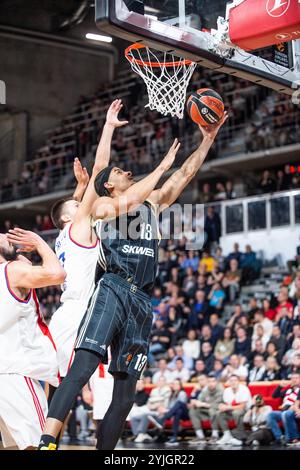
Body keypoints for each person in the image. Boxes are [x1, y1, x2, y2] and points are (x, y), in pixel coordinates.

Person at [39, 112, 228, 450]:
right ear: (108, 185)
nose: (126, 171)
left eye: (126, 170)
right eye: (119, 171)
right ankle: (46, 442)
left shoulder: (153, 202)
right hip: (112, 287)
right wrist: (110, 130)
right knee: (81, 368)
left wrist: (208, 140)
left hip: (142, 299)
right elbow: (100, 167)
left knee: (125, 394)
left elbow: (186, 173)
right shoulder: (101, 207)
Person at [49, 100, 125, 386]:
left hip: (71, 311)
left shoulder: (63, 235)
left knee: (58, 388)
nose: (81, 204)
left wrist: (78, 189)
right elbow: (100, 170)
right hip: (78, 312)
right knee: (63, 388)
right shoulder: (76, 226)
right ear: (70, 216)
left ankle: (45, 431)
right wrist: (107, 127)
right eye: (76, 204)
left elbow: (72, 209)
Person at [0, 229, 65, 449]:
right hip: (17, 371)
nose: (7, 237)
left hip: (4, 371)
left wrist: (14, 253)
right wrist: (38, 242)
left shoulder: (13, 269)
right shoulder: (12, 270)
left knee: (14, 447)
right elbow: (57, 274)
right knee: (39, 444)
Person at [216, 375, 252, 446]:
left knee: (236, 413)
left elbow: (242, 406)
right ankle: (227, 435)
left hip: (246, 411)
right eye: (231, 381)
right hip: (232, 410)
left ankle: (240, 437)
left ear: (238, 381)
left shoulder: (244, 389)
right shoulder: (227, 390)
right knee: (219, 413)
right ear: (229, 382)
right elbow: (227, 404)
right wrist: (222, 406)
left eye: (235, 380)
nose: (233, 382)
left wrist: (228, 407)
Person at [188, 374, 224, 444]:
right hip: (207, 411)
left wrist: (204, 404)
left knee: (212, 410)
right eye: (209, 382)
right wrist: (196, 402)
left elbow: (217, 405)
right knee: (193, 410)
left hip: (219, 412)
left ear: (216, 382)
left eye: (213, 381)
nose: (211, 384)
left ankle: (215, 435)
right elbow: (200, 400)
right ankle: (200, 436)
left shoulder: (220, 389)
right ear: (207, 383)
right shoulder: (205, 390)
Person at [267, 372, 300, 445]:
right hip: (284, 411)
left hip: (294, 411)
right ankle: (279, 437)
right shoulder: (288, 390)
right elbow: (274, 396)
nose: (294, 380)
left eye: (296, 378)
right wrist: (280, 386)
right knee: (271, 415)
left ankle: (292, 438)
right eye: (292, 378)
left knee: (286, 414)